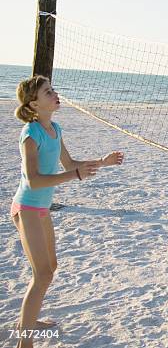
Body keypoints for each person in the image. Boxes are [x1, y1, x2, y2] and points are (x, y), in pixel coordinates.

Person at [11, 75, 124, 348]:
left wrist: (102, 162)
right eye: (47, 92)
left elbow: (70, 162)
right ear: (34, 103)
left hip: (41, 208)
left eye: (53, 89)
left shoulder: (56, 129)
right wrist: (74, 175)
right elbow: (34, 180)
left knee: (50, 268)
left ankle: (29, 320)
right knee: (42, 274)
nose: (55, 94)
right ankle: (24, 342)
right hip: (26, 207)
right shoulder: (30, 134)